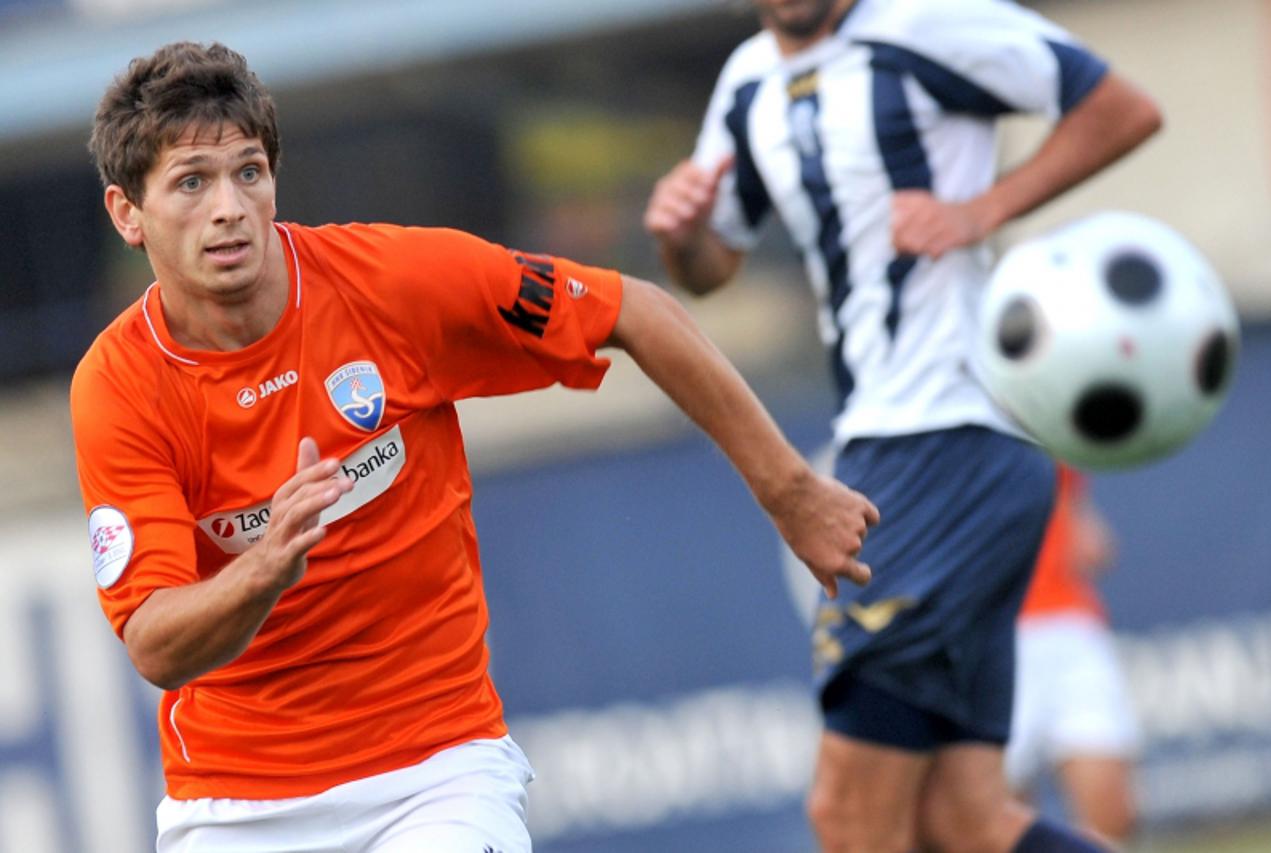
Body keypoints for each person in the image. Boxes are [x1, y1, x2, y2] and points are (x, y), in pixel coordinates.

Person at [70, 41, 881, 853]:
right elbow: (155, 641)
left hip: (436, 776)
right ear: (126, 213)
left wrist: (790, 492)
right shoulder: (120, 387)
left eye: (248, 172)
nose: (229, 207)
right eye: (191, 182)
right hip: (237, 806)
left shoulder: (391, 283)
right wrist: (262, 569)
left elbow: (634, 311)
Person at [644, 1, 1161, 850]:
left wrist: (982, 209)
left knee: (851, 817)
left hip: (947, 440)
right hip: (895, 448)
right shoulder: (746, 81)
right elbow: (707, 269)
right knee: (964, 820)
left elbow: (1120, 107)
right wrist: (682, 232)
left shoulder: (925, 23)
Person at [1007, 465, 1141, 847]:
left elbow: (1079, 518)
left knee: (1112, 812)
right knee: (996, 816)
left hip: (1071, 627)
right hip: (992, 632)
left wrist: (1085, 536)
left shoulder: (1048, 441)